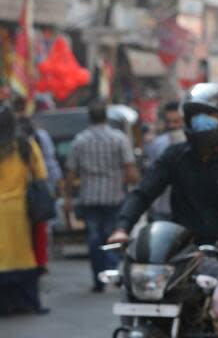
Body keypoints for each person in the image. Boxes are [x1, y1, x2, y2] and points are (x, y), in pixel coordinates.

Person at [108, 83, 218, 338]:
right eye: (196, 117)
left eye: (210, 117)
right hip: (180, 254)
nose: (201, 123)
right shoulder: (175, 156)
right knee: (130, 286)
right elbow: (144, 191)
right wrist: (122, 227)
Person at [64, 100, 139, 293]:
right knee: (112, 236)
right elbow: (131, 171)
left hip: (89, 197)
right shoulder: (119, 138)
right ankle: (111, 271)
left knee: (94, 238)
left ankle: (99, 279)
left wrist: (68, 199)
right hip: (114, 197)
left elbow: (71, 173)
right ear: (106, 116)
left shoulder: (80, 140)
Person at [0, 103, 49, 315]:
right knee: (23, 255)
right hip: (19, 210)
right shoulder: (24, 145)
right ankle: (29, 302)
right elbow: (41, 174)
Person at [13, 96, 62, 271]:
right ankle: (40, 261)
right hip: (35, 194)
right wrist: (53, 186)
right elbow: (46, 167)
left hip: (16, 199)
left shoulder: (9, 144)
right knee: (41, 229)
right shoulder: (34, 140)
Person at [142, 101, 185, 221]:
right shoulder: (157, 144)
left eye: (176, 121)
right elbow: (152, 177)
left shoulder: (195, 145)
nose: (172, 125)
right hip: (162, 209)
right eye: (169, 122)